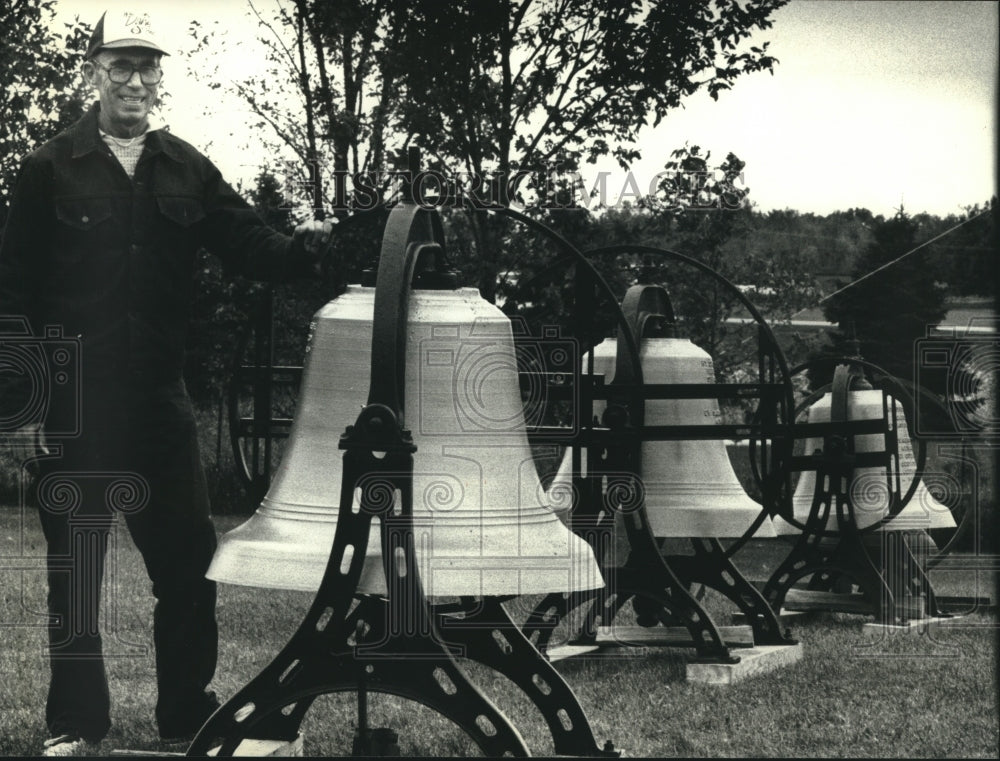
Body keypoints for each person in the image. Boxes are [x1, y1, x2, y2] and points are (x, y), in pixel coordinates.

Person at [0, 10, 335, 757]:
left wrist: (306, 249)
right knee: (76, 572)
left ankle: (188, 717)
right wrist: (22, 409)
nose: (135, 79)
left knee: (188, 566)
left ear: (160, 78)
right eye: (120, 64)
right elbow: (13, 295)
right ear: (93, 72)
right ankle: (75, 725)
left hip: (159, 403)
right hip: (74, 401)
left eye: (148, 65)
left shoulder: (189, 167)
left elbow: (250, 242)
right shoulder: (47, 167)